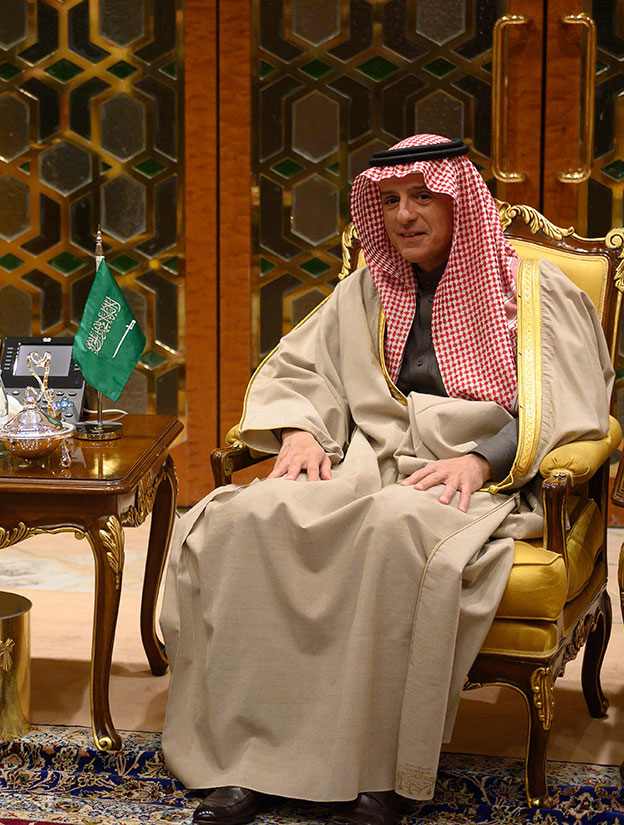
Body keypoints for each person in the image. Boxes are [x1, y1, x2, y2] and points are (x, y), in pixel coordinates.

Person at [160, 134, 613, 825]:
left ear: (461, 199)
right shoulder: (367, 288)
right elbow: (300, 369)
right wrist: (302, 431)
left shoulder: (532, 287)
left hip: (482, 478)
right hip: (368, 458)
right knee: (244, 518)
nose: (404, 214)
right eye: (390, 201)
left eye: (421, 196)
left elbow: (570, 395)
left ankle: (378, 773)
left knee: (393, 528)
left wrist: (481, 458)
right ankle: (247, 759)